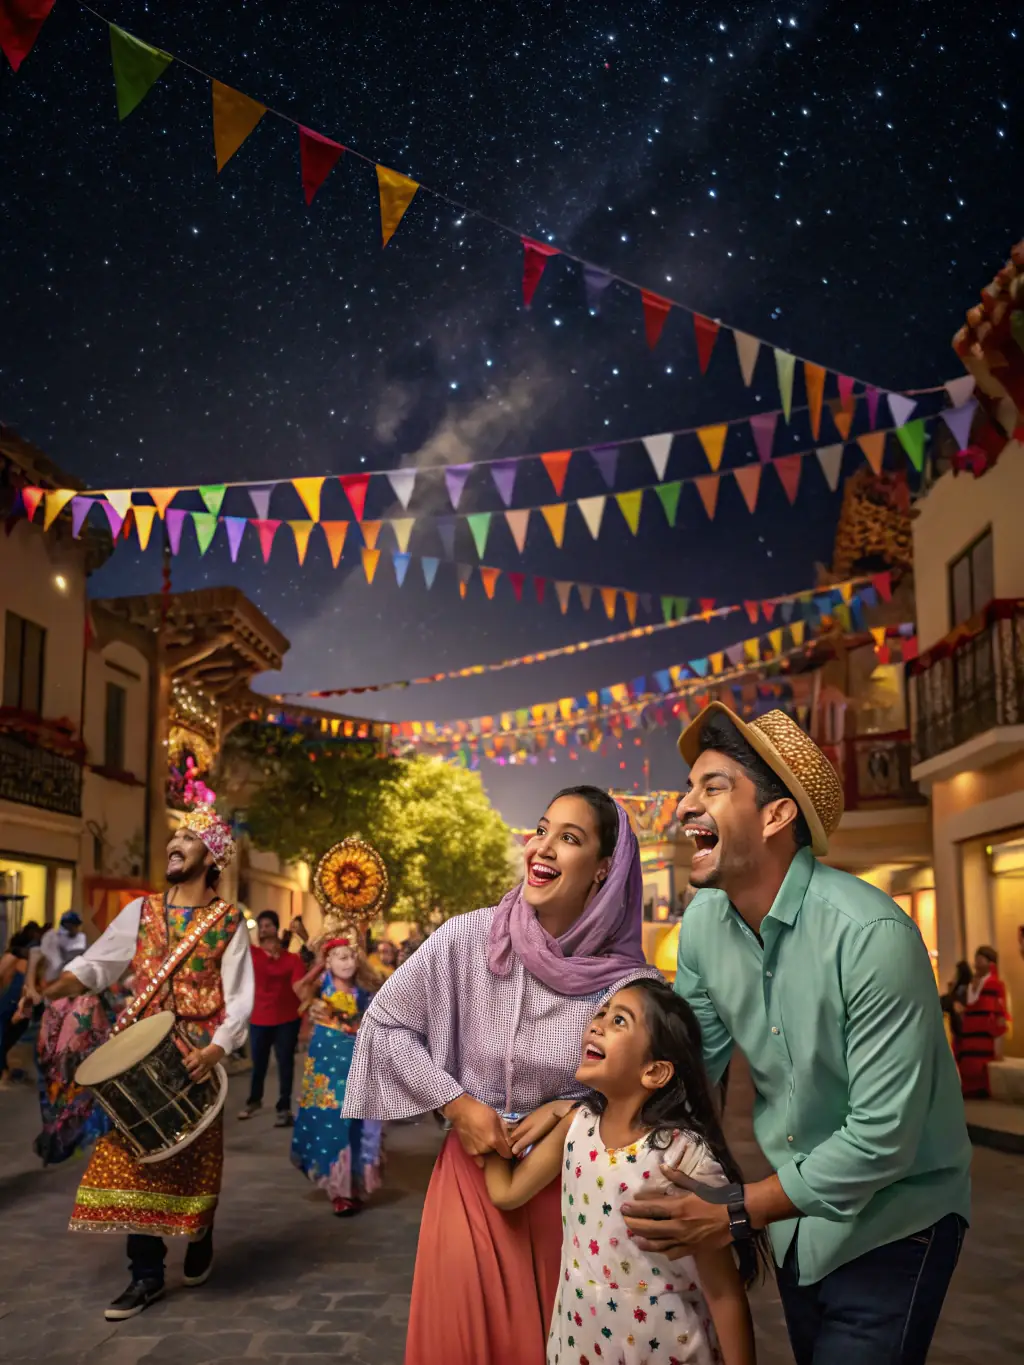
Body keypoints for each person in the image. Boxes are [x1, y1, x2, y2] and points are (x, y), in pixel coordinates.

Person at [620, 704, 971, 1365]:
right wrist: (579, 1115)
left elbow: (882, 1140)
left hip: (899, 1221)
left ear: (777, 815)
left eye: (714, 786)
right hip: (793, 1221)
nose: (684, 804)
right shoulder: (700, 926)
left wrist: (734, 1209)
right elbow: (687, 1066)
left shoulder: (872, 935)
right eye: (690, 785)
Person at [343, 784, 661, 1365]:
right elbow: (385, 1024)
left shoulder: (631, 986)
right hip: (472, 1177)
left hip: (579, 1198)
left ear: (604, 870)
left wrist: (572, 1108)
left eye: (569, 838)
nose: (542, 847)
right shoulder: (467, 940)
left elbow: (651, 1097)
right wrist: (455, 1104)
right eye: (541, 830)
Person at [37, 806, 253, 1322]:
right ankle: (146, 1274)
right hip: (139, 1051)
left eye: (188, 837)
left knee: (194, 1161)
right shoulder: (140, 912)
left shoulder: (229, 922)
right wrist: (53, 987)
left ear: (212, 856)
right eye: (174, 835)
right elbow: (99, 965)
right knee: (139, 1155)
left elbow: (239, 997)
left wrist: (218, 1048)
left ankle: (200, 1232)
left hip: (196, 1057)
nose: (174, 842)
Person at [484, 978, 760, 1365]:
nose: (596, 1024)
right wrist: (487, 1127)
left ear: (654, 1072)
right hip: (579, 1347)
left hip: (668, 1351)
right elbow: (508, 1192)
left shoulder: (682, 1157)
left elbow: (723, 1291)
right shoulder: (576, 1127)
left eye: (619, 1021)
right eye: (601, 1014)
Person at [291, 936, 384, 1215]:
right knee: (333, 1123)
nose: (348, 963)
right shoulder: (319, 988)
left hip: (358, 1061)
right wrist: (319, 967)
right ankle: (339, 1190)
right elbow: (298, 988)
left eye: (351, 956)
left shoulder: (364, 990)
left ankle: (356, 1184)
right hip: (326, 1065)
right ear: (328, 961)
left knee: (362, 1122)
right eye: (340, 957)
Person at [238, 910, 306, 1126]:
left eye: (268, 925)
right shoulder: (252, 955)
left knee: (285, 1063)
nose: (264, 929)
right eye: (261, 926)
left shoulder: (292, 959)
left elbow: (299, 985)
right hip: (260, 1017)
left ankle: (284, 1107)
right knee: (259, 1063)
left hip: (287, 1018)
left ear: (276, 928)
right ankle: (254, 1100)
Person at [955, 946, 1010, 1098]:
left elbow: (1000, 1016)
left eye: (981, 960)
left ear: (990, 963)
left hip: (984, 1040)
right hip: (969, 1038)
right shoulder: (970, 985)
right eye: (976, 960)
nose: (976, 964)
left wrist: (999, 1047)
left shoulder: (996, 985)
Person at [0, 923, 42, 1082]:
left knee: (6, 1034)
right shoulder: (20, 958)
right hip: (13, 1000)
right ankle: (4, 1070)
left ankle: (4, 1069)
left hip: (13, 1000)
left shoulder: (14, 955)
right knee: (6, 1034)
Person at [940, 960, 972, 1049]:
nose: (954, 977)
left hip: (961, 1034)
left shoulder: (961, 991)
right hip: (961, 1035)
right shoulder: (967, 989)